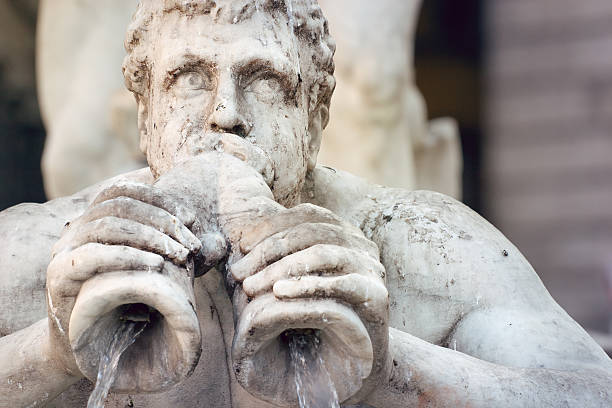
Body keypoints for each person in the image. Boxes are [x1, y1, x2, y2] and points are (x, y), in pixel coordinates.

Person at [1, 1, 610, 407]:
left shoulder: (422, 245)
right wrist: (50, 351)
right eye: (189, 77)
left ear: (315, 116)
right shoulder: (51, 246)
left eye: (263, 80)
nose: (225, 114)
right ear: (144, 113)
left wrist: (389, 364)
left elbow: (587, 391)